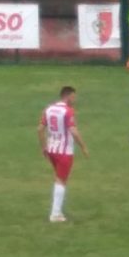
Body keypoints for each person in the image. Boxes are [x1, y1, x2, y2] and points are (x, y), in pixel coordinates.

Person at [38, 86, 89, 223]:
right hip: (64, 151)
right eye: (73, 96)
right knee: (61, 180)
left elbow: (40, 129)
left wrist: (44, 147)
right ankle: (55, 214)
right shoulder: (68, 111)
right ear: (67, 96)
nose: (75, 99)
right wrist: (83, 147)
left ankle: (58, 211)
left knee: (59, 178)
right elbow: (73, 131)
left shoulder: (49, 109)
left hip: (52, 150)